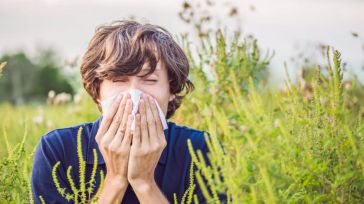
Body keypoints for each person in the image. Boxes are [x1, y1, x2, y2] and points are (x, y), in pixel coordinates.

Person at [31, 20, 226, 203]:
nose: (135, 94)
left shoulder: (201, 150)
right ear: (97, 91)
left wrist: (144, 183)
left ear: (172, 90)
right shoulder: (58, 150)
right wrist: (116, 180)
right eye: (118, 80)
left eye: (149, 80)